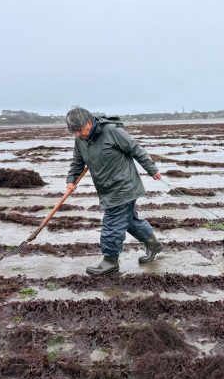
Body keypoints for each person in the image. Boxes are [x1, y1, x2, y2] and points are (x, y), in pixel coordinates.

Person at [65, 106, 163, 275]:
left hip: (124, 186)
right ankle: (153, 244)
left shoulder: (112, 131)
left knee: (112, 224)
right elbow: (77, 161)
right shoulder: (80, 139)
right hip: (106, 189)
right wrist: (71, 179)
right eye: (74, 132)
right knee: (128, 220)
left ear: (89, 122)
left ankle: (110, 261)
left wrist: (152, 169)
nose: (78, 135)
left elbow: (136, 149)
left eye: (79, 130)